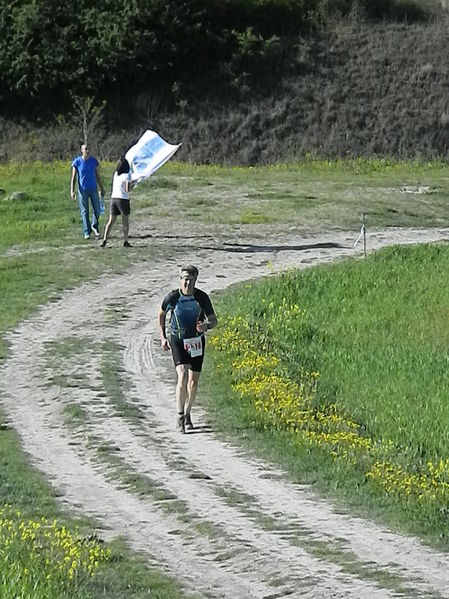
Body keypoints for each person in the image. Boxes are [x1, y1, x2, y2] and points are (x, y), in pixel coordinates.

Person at [158, 265, 218, 433]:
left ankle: (188, 413)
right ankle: (179, 415)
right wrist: (163, 337)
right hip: (178, 339)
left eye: (191, 280)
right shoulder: (172, 297)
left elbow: (214, 321)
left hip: (196, 341)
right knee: (182, 375)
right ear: (180, 279)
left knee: (193, 382)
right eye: (185, 279)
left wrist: (205, 326)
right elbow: (161, 314)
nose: (188, 283)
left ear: (195, 280)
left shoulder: (201, 298)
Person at [70, 144, 105, 239]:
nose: (87, 151)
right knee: (84, 211)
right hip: (82, 190)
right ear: (81, 150)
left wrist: (101, 188)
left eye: (88, 149)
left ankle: (95, 225)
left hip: (93, 188)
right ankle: (87, 231)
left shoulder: (94, 161)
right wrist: (72, 190)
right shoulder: (77, 162)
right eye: (85, 149)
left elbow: (98, 175)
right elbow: (74, 177)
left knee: (97, 209)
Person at [100, 156, 134, 248]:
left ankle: (104, 239)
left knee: (111, 221)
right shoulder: (127, 176)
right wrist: (133, 184)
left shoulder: (115, 174)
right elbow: (127, 189)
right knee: (125, 221)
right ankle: (126, 240)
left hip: (114, 199)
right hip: (123, 200)